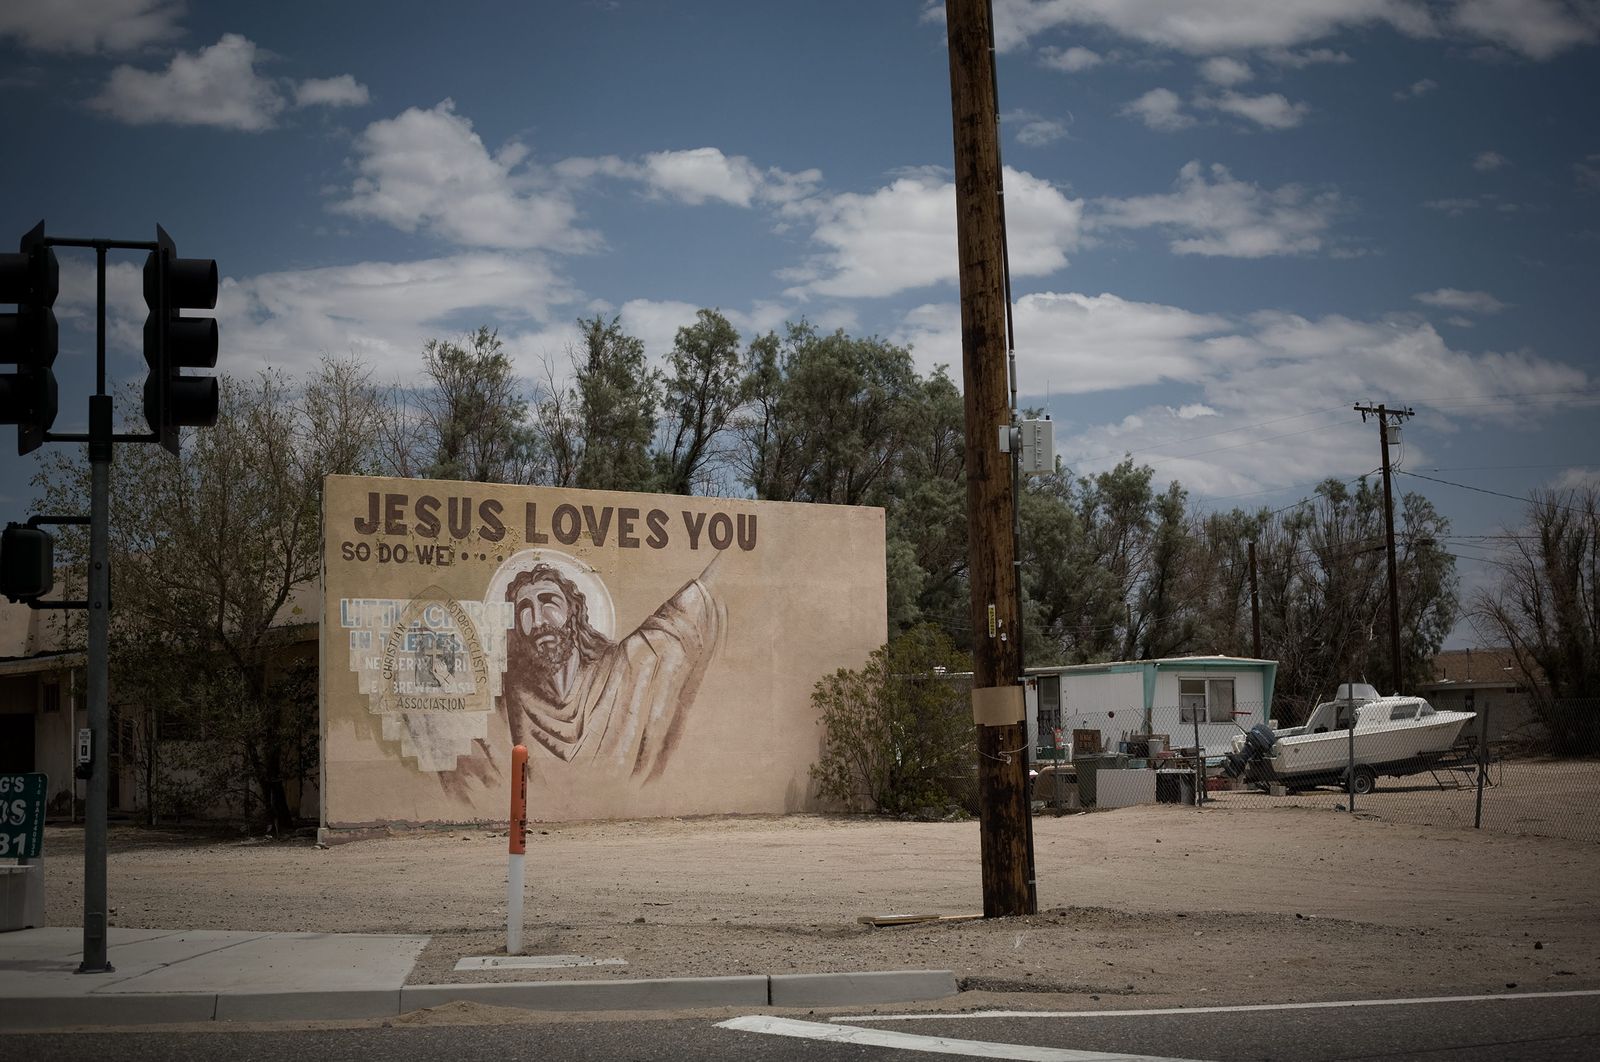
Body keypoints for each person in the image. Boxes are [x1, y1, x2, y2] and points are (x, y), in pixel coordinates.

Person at [499, 551, 725, 781]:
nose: (538, 620)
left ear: (572, 612)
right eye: (525, 609)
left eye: (549, 603)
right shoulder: (515, 693)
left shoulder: (620, 666)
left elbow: (674, 627)